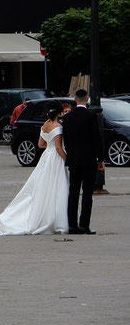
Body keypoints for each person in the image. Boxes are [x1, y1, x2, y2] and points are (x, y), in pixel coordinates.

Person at [0, 101, 69, 235]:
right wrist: (67, 159)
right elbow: (58, 148)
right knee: (58, 186)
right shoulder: (57, 127)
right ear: (59, 112)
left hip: (46, 157)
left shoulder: (45, 125)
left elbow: (40, 144)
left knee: (44, 186)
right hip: (55, 158)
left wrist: (49, 148)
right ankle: (57, 218)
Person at [62, 89, 104, 235]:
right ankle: (84, 225)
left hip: (73, 160)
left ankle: (72, 226)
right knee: (87, 194)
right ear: (87, 99)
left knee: (73, 193)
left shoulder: (67, 118)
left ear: (74, 99)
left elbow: (66, 140)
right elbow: (96, 138)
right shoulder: (91, 116)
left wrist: (70, 153)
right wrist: (100, 158)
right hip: (89, 160)